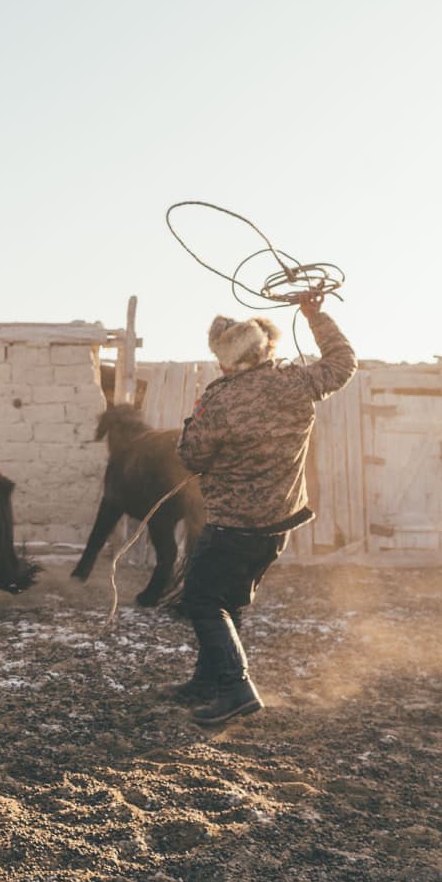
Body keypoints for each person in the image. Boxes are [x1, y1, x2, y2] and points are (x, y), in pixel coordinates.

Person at [175, 291, 357, 725]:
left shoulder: (220, 401)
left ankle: (237, 689)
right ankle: (209, 681)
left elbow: (191, 457)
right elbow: (343, 362)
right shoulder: (296, 381)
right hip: (279, 523)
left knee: (200, 599)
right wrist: (315, 315)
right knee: (228, 602)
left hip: (233, 525)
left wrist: (195, 417)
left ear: (226, 358)